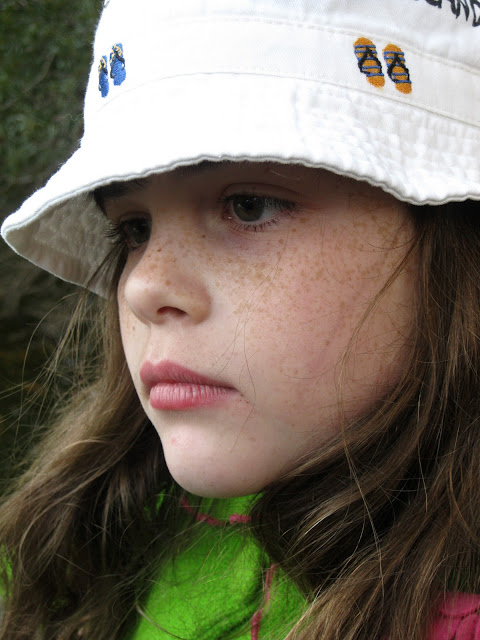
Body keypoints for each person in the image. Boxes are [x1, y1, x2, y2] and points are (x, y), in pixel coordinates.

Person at [1, 0, 480, 638]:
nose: (142, 285)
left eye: (249, 206)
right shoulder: (78, 540)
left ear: (455, 248)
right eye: (135, 229)